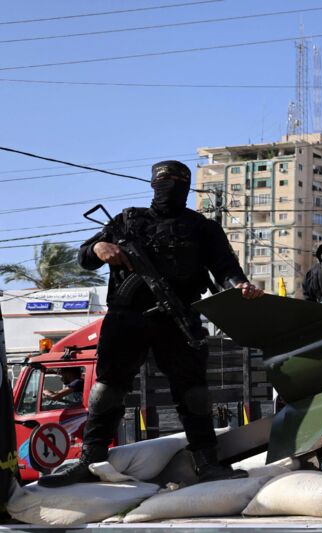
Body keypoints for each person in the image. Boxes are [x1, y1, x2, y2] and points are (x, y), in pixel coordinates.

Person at [40, 160, 265, 487]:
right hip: (126, 317)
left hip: (178, 318)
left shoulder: (202, 228)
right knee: (107, 390)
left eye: (178, 181)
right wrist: (100, 247)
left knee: (194, 393)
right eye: (165, 180)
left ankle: (207, 462)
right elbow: (85, 256)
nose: (171, 186)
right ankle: (90, 460)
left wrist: (241, 286)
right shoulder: (128, 220)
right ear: (153, 184)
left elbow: (226, 268)